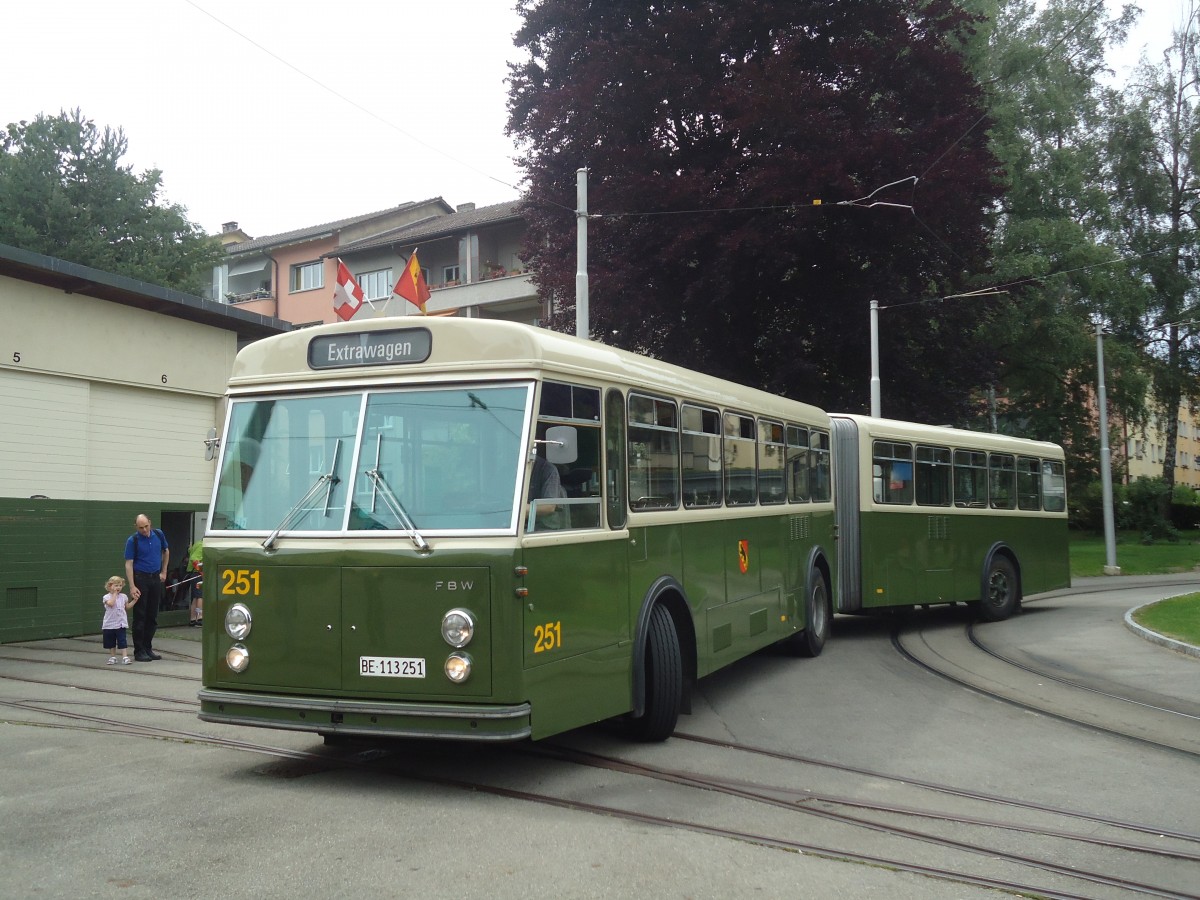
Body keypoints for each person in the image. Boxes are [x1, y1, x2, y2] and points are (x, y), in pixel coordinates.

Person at [124, 514, 169, 662]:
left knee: (152, 615)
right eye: (140, 527)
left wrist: (164, 571)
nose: (144, 530)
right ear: (136, 527)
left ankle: (148, 647)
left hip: (155, 577)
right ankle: (139, 650)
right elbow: (129, 564)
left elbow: (166, 551)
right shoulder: (133, 540)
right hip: (141, 578)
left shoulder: (158, 534)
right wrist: (132, 586)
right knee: (140, 615)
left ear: (150, 523)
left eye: (146, 526)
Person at [528, 453, 567, 530]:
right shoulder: (503, 466)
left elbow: (549, 507)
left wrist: (516, 510)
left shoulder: (548, 469)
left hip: (543, 528)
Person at [100, 576, 133, 665]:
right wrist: (114, 594)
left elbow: (127, 607)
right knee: (111, 642)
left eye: (120, 585)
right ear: (110, 586)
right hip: (109, 624)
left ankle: (125, 656)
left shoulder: (123, 596)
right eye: (116, 585)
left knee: (122, 640)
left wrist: (135, 600)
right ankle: (113, 657)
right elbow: (111, 603)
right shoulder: (106, 597)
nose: (118, 587)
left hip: (120, 623)